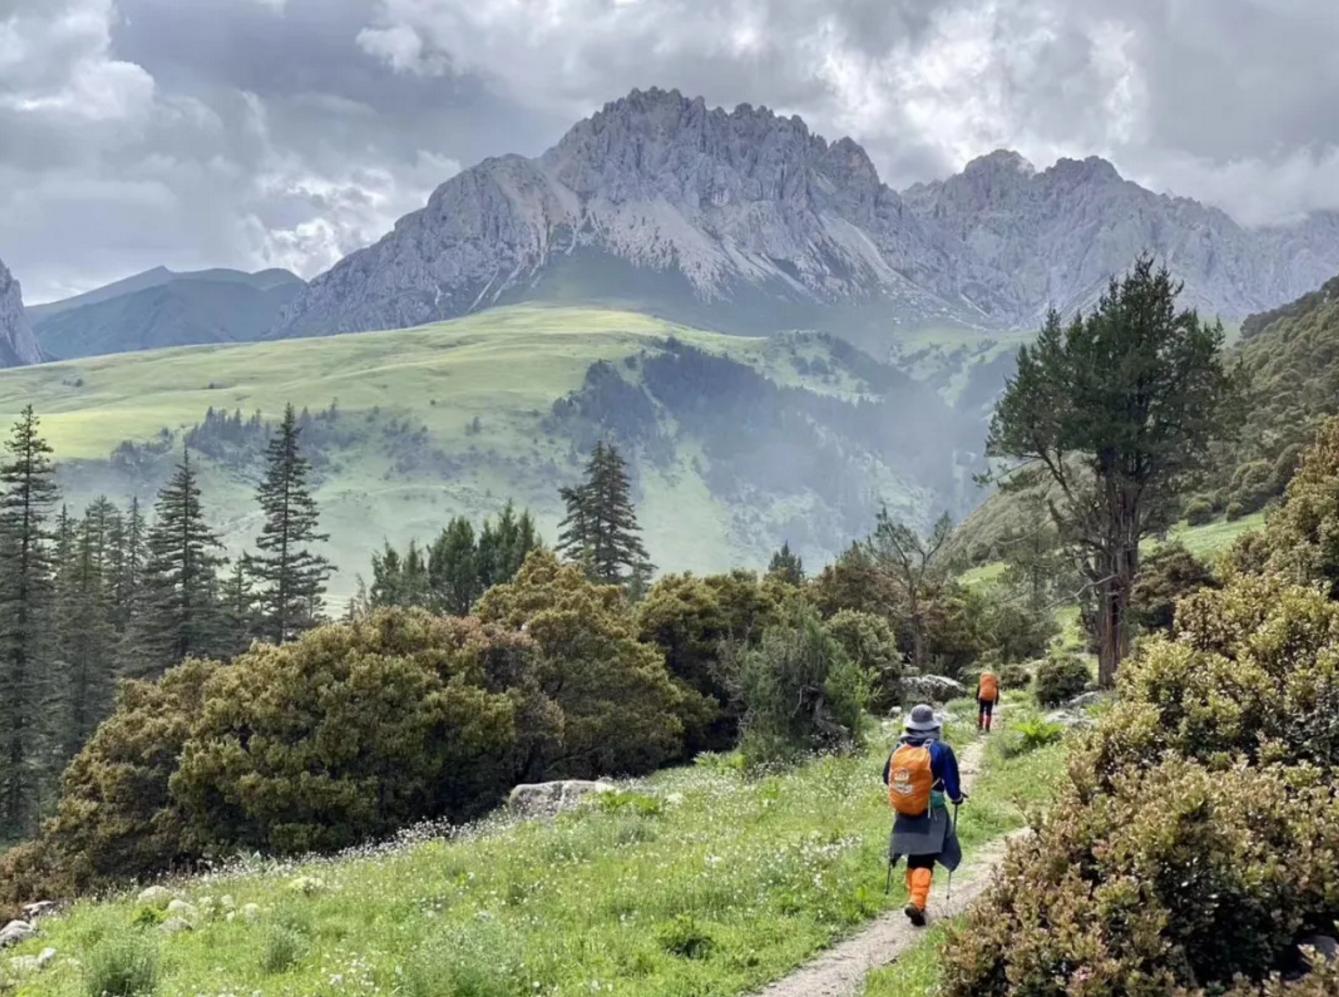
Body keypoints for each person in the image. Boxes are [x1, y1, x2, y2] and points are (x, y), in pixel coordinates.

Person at [883, 703, 965, 926]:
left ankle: (916, 900)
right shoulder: (941, 749)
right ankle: (917, 901)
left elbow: (886, 777)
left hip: (904, 809)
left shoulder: (899, 748)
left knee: (912, 853)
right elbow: (952, 784)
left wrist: (908, 791)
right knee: (925, 856)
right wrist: (957, 798)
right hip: (932, 809)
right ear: (932, 726)